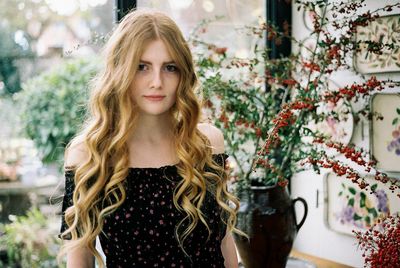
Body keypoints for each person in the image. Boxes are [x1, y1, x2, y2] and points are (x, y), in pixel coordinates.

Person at [58, 8, 246, 268]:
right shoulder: (89, 154)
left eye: (169, 67)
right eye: (142, 67)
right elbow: (79, 262)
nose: (157, 81)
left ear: (183, 73)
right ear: (120, 70)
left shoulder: (207, 143)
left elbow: (224, 244)